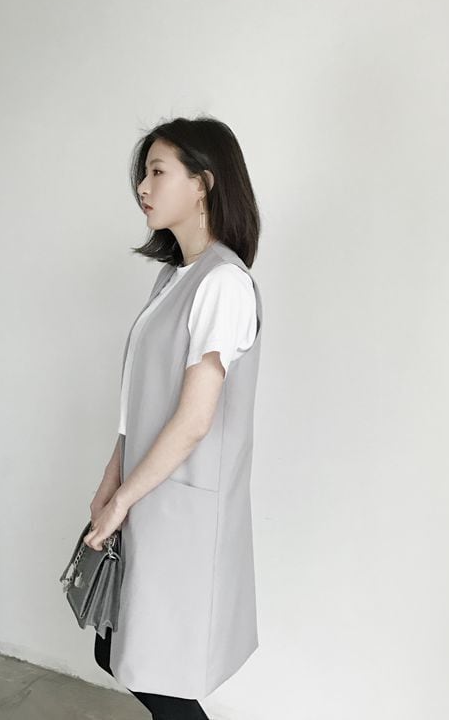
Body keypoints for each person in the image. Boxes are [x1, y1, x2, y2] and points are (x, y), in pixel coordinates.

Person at [84, 115, 263, 720]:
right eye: (143, 174)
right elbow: (141, 401)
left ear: (203, 183)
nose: (143, 186)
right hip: (148, 494)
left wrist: (122, 499)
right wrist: (111, 479)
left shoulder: (224, 283)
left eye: (157, 171)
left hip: (182, 509)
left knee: (159, 672)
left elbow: (193, 419)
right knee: (118, 650)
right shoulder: (173, 277)